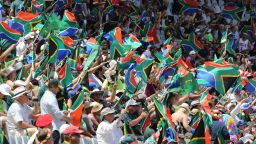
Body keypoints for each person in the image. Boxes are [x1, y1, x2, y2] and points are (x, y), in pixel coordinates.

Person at [40, 79, 71, 144]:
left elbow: (51, 111)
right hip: (54, 128)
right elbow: (57, 114)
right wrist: (69, 119)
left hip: (48, 126)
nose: (58, 89)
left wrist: (62, 112)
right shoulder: (51, 98)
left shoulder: (45, 96)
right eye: (57, 87)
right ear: (52, 87)